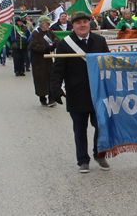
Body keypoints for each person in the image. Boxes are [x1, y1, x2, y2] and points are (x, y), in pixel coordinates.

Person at [50, 11, 111, 173]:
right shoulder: (64, 44)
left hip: (98, 93)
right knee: (80, 129)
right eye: (78, 23)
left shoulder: (100, 41)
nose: (82, 25)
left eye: (85, 22)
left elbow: (109, 65)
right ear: (73, 25)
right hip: (77, 92)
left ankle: (100, 154)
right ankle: (83, 160)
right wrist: (55, 88)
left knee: (101, 126)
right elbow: (58, 69)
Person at [29, 15, 59, 106]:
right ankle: (42, 97)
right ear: (43, 24)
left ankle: (52, 99)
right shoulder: (35, 33)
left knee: (51, 78)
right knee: (41, 80)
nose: (49, 25)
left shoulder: (49, 32)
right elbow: (33, 46)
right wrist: (45, 48)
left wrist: (56, 42)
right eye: (48, 23)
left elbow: (55, 38)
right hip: (39, 61)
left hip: (49, 61)